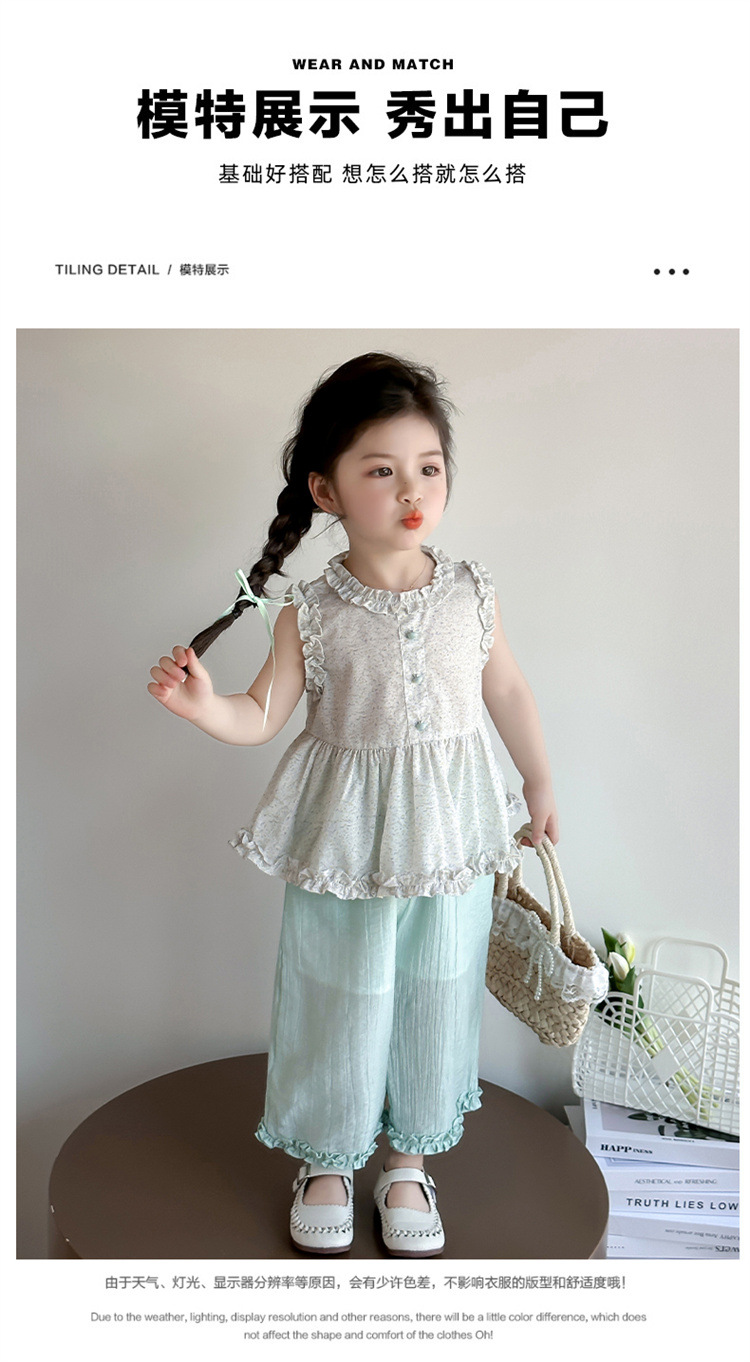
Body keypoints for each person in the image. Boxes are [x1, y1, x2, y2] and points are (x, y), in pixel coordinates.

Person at [147, 352, 558, 1257]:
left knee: (438, 990)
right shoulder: (312, 612)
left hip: (451, 839)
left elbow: (507, 691)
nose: (412, 490)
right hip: (344, 841)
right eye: (382, 470)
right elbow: (261, 715)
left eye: (429, 467)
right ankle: (326, 1158)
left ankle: (408, 1162)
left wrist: (537, 780)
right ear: (325, 490)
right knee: (339, 991)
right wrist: (203, 707)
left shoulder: (472, 592)